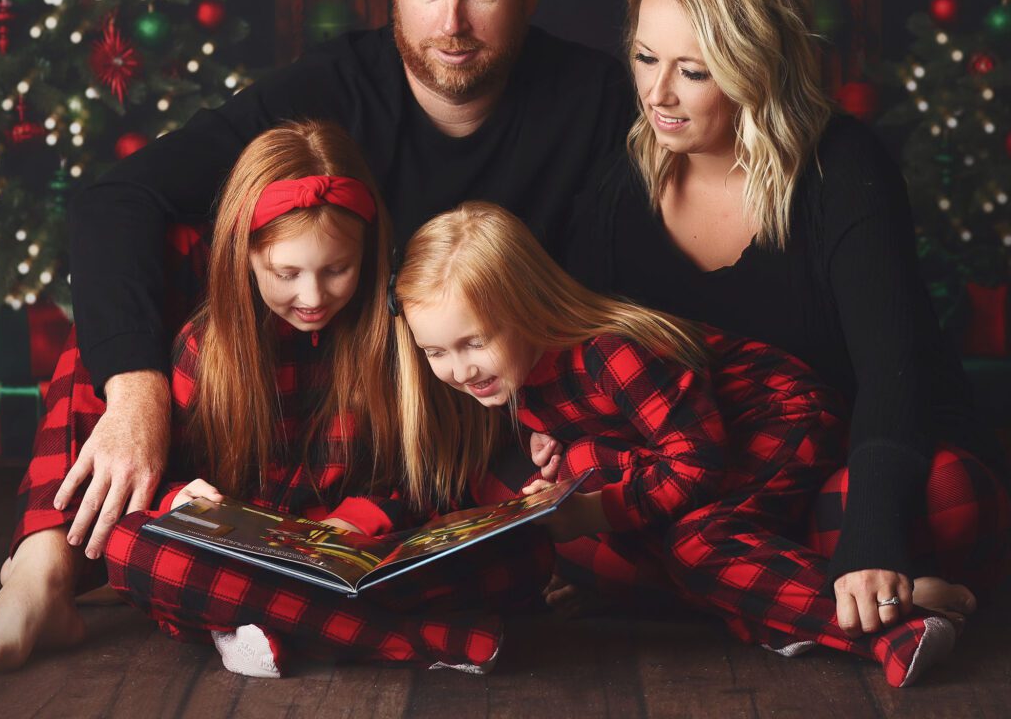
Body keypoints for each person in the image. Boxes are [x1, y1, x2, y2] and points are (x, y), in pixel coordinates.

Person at [0, 0, 630, 669]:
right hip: (308, 411)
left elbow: (633, 298)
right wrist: (137, 396)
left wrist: (567, 445)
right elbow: (114, 202)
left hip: (458, 429)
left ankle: (303, 600)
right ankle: (44, 567)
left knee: (516, 545)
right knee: (158, 265)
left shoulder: (598, 102)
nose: (452, 23)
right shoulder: (327, 92)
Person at [566, 0, 1011, 639]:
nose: (658, 93)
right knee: (569, 521)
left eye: (694, 71)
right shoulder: (624, 182)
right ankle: (845, 594)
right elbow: (597, 354)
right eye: (646, 58)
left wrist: (872, 541)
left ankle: (766, 584)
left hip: (850, 457)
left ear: (755, 68)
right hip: (723, 473)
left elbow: (894, 380)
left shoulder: (843, 168)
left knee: (951, 499)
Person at [0, 121, 552, 675]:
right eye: (286, 273)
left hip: (363, 549)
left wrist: (355, 524)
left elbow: (426, 482)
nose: (312, 296)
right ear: (246, 257)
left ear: (369, 251)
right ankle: (408, 640)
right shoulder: (205, 350)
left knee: (523, 555)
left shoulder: (398, 340)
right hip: (248, 560)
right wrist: (182, 502)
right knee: (132, 549)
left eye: (337, 269)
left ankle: (274, 629)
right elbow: (172, 484)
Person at [390, 201, 967, 688]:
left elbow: (696, 463)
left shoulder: (611, 353)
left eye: (472, 343)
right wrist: (564, 467)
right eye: (435, 352)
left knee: (695, 544)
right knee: (592, 477)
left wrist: (594, 508)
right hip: (697, 447)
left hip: (779, 416)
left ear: (527, 307)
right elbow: (612, 440)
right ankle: (843, 606)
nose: (459, 371)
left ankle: (901, 627)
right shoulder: (522, 380)